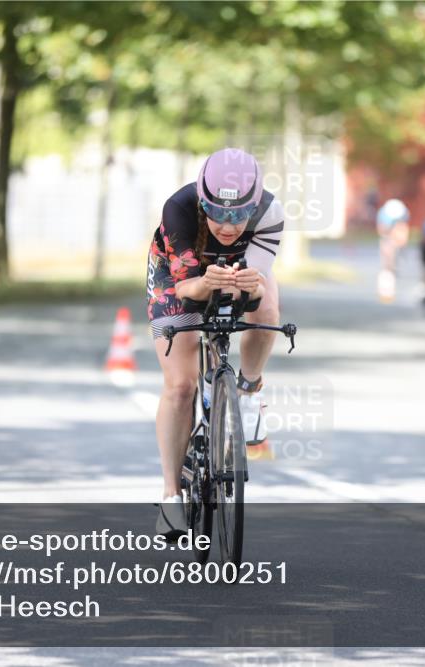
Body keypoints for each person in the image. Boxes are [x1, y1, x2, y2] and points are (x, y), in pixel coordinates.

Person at [147, 147, 284, 537]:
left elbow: (255, 295)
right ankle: (172, 496)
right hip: (179, 276)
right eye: (218, 213)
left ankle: (250, 389)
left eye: (239, 214)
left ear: (254, 207)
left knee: (268, 305)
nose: (227, 225)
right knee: (181, 385)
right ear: (202, 201)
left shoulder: (270, 213)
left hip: (240, 270)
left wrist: (246, 291)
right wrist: (209, 282)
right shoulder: (179, 207)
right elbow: (188, 289)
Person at [375, 198, 410, 302]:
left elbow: (402, 232)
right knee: (387, 268)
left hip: (392, 243)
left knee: (391, 268)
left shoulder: (398, 217)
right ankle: (386, 291)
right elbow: (382, 229)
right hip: (387, 242)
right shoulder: (385, 216)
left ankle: (388, 290)